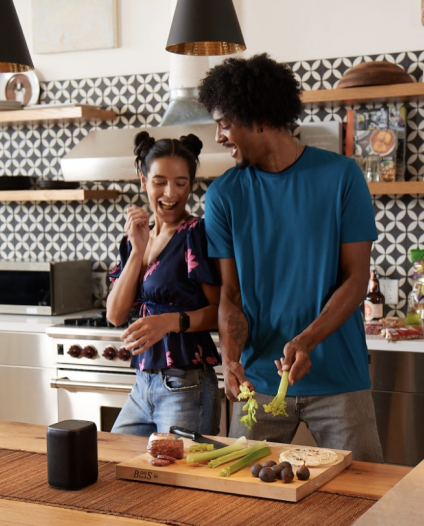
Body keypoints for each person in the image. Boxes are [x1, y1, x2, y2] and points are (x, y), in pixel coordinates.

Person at [199, 53, 384, 463]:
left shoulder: (342, 177)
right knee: (243, 501)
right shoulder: (224, 195)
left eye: (225, 123)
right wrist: (230, 358)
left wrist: (306, 340)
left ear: (259, 117)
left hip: (339, 379)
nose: (218, 137)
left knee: (367, 496)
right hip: (259, 385)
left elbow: (356, 279)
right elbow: (231, 293)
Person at [106, 131, 221, 437]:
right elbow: (116, 315)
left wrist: (170, 322)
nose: (170, 193)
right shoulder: (135, 239)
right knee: (113, 462)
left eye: (181, 183)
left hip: (186, 385)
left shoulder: (196, 234)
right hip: (143, 385)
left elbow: (223, 310)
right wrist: (138, 250)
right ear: (143, 181)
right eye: (159, 182)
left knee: (179, 482)